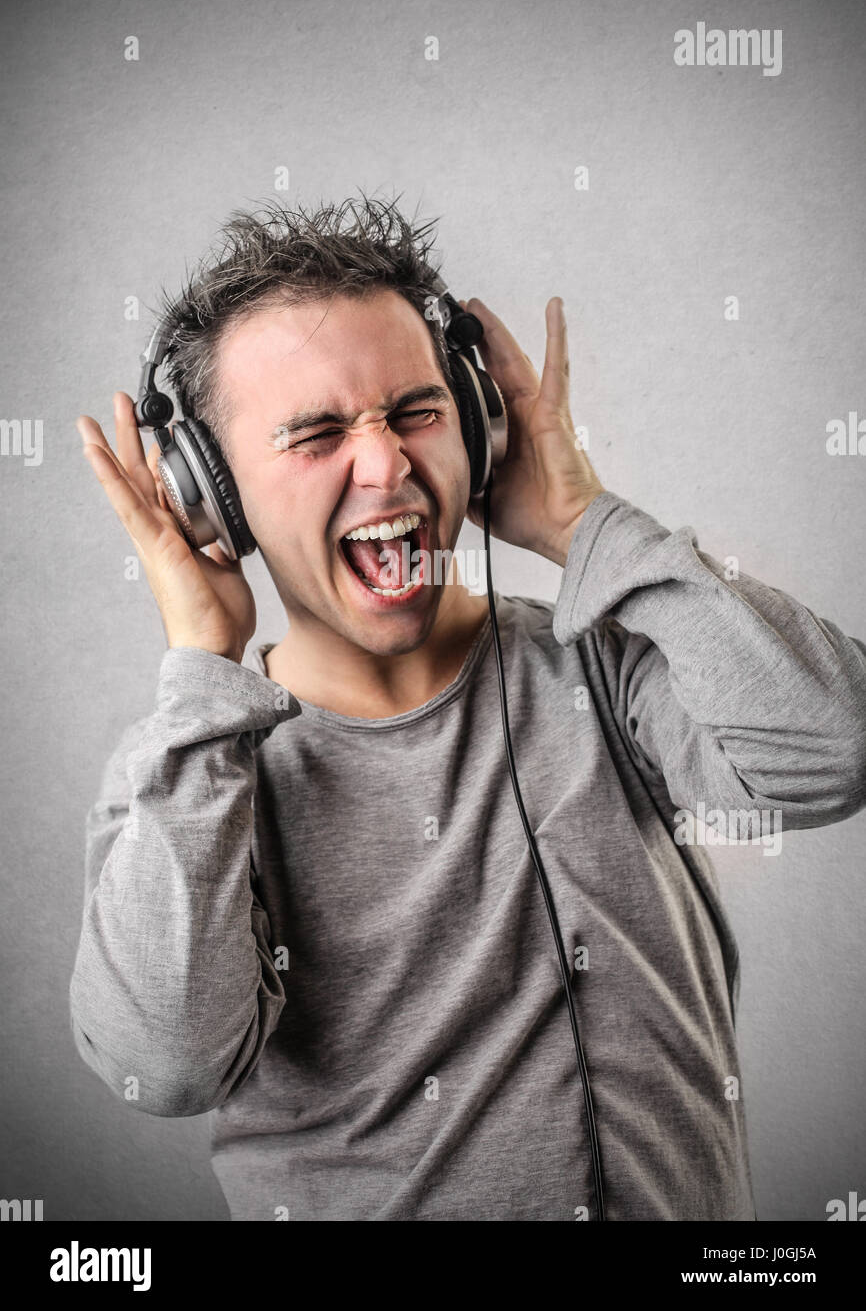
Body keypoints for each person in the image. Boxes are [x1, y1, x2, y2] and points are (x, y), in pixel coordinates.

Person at [70, 196, 866, 1222]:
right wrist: (200, 665)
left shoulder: (606, 662)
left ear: (478, 425)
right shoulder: (192, 776)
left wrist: (583, 524)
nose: (386, 463)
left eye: (415, 411)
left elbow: (834, 747)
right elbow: (163, 1066)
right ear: (214, 500)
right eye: (314, 434)